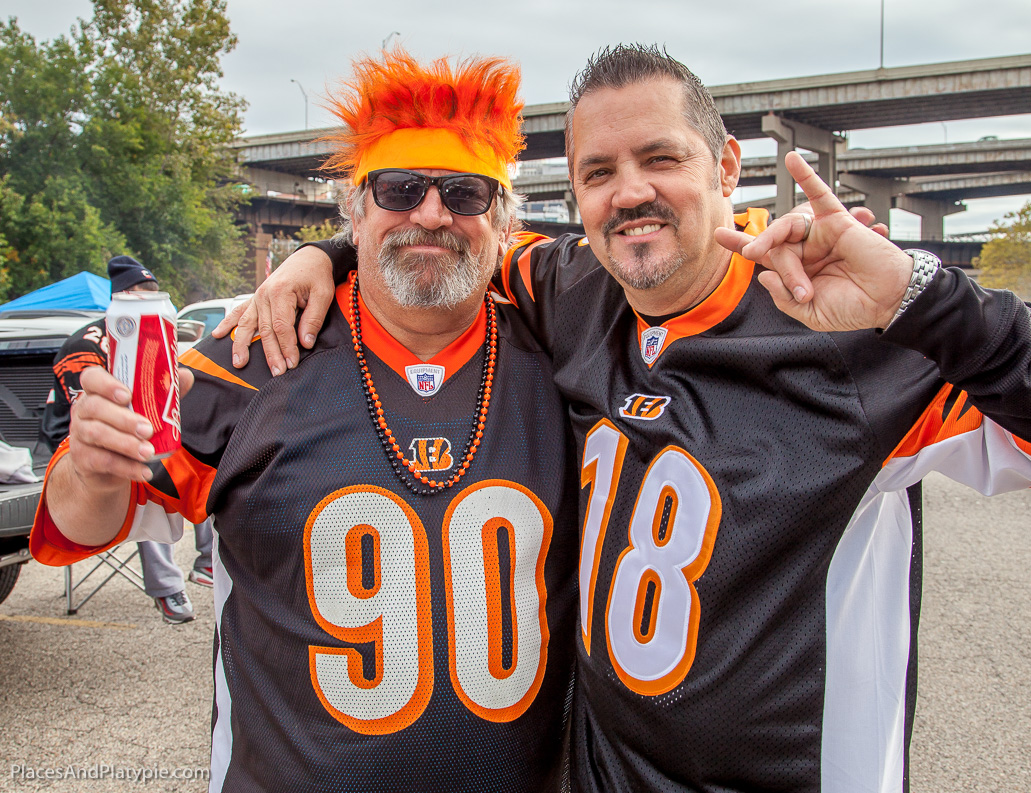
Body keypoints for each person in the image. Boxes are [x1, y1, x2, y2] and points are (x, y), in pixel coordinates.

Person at [228, 44, 1031, 793]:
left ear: (725, 166)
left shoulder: (844, 329)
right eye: (598, 172)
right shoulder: (574, 290)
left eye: (660, 159)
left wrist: (922, 297)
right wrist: (322, 254)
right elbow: (441, 233)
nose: (629, 192)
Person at [30, 51, 578, 792]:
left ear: (504, 221)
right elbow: (84, 526)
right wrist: (92, 467)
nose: (430, 213)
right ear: (355, 212)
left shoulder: (563, 360)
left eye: (465, 192)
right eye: (398, 188)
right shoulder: (254, 355)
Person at [39, 255, 213, 623]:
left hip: (139, 433)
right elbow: (83, 413)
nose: (149, 297)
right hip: (71, 441)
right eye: (142, 292)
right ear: (125, 296)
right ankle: (167, 587)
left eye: (154, 291)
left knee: (201, 462)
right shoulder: (82, 345)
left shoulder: (152, 333)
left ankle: (207, 562)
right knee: (141, 477)